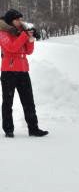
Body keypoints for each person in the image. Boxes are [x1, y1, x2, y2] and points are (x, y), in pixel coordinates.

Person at [0, 9, 48, 138]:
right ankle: (8, 130)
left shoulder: (21, 32)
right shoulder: (3, 33)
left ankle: (33, 129)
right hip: (8, 72)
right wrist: (24, 36)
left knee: (28, 101)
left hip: (23, 71)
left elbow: (28, 51)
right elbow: (11, 48)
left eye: (21, 19)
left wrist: (31, 39)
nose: (20, 21)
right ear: (11, 21)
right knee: (8, 102)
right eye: (17, 19)